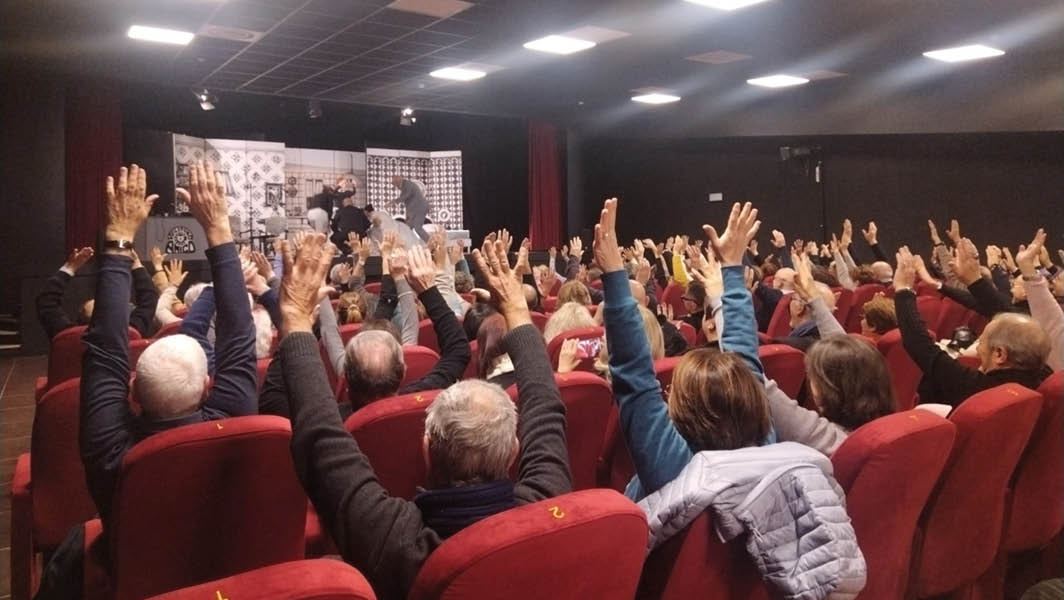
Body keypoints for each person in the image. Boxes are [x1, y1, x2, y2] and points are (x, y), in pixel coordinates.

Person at [270, 231, 571, 599]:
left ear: (426, 451)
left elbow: (320, 441)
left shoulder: (394, 543)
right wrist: (519, 312)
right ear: (514, 453)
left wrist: (296, 319)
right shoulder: (544, 507)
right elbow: (545, 405)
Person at [36, 163, 257, 599]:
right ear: (209, 388)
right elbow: (239, 333)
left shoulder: (112, 453)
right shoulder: (236, 418)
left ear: (131, 391)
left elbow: (104, 350)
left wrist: (118, 238)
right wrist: (218, 229)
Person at [598, 198, 772, 501]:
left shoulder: (673, 470)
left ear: (685, 410)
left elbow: (635, 380)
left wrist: (614, 277)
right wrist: (732, 266)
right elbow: (747, 365)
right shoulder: (765, 444)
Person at [893, 244, 1052, 409]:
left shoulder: (982, 387)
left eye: (982, 342)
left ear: (999, 354)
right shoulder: (1043, 374)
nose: (977, 349)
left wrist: (903, 290)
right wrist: (974, 280)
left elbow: (920, 345)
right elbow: (1006, 313)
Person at [35, 246, 158, 339]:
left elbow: (46, 301)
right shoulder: (129, 332)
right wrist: (135, 263)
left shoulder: (66, 335)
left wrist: (70, 267)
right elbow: (149, 298)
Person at [330, 180, 369, 251]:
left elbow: (333, 225)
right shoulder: (360, 211)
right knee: (364, 238)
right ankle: (358, 250)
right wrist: (361, 231)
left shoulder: (339, 211)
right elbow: (367, 224)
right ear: (352, 203)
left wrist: (338, 231)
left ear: (343, 204)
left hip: (345, 234)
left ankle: (346, 249)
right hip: (359, 235)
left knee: (333, 238)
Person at [392, 174, 430, 242]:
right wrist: (408, 216)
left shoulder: (408, 185)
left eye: (396, 184)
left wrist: (394, 201)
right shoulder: (404, 188)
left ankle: (431, 242)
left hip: (420, 208)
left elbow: (405, 197)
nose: (396, 186)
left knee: (417, 228)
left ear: (399, 180)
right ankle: (406, 242)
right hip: (415, 210)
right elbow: (408, 204)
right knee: (408, 227)